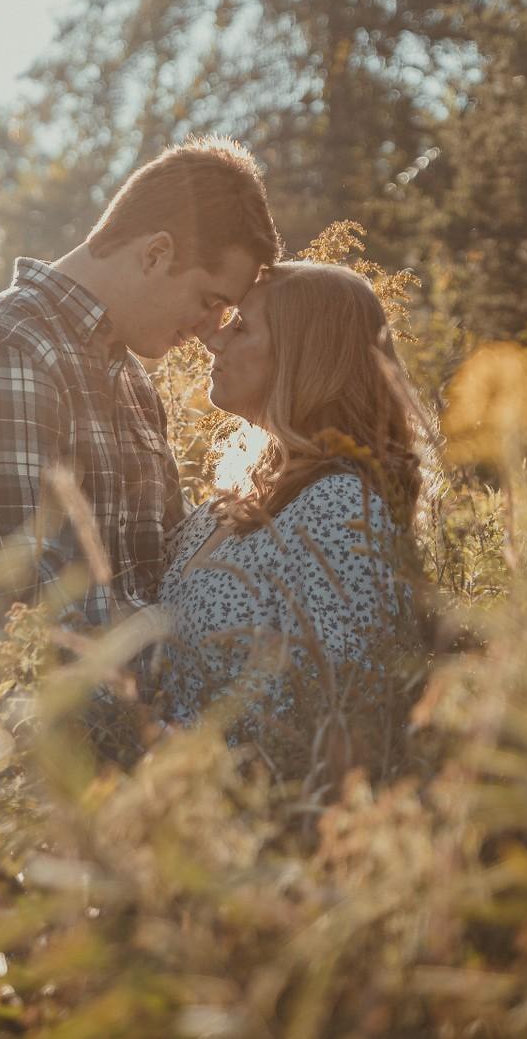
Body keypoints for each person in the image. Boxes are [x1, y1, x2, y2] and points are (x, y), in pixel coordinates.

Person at [0, 136, 281, 625]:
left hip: (140, 698)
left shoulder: (132, 383)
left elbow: (165, 573)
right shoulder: (6, 348)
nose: (209, 332)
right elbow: (26, 613)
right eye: (209, 301)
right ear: (155, 254)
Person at [154, 261, 423, 751]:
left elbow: (339, 718)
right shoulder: (235, 499)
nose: (213, 342)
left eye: (242, 327)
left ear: (306, 357)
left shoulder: (342, 510)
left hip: (247, 815)